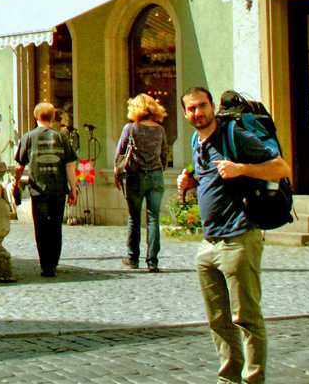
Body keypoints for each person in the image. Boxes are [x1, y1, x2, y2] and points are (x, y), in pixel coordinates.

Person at [177, 86, 290, 384]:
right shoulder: (195, 140)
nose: (197, 113)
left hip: (240, 236)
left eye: (202, 106)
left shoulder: (233, 135)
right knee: (218, 320)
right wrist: (190, 181)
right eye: (191, 108)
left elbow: (281, 167)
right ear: (185, 113)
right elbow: (209, 177)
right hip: (209, 242)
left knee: (247, 319)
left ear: (212, 106)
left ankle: (253, 380)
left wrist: (241, 169)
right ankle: (228, 379)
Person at [13, 102, 78, 278]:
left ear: (36, 117)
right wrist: (74, 188)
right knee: (56, 225)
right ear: (53, 118)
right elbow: (70, 165)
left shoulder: (29, 137)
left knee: (41, 226)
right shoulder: (62, 137)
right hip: (58, 187)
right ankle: (54, 261)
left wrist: (15, 181)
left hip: (38, 188)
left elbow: (20, 165)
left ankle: (45, 265)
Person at [115, 93, 169, 272]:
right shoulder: (160, 130)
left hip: (135, 176)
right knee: (154, 218)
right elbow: (164, 155)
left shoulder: (131, 128)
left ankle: (133, 258)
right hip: (156, 176)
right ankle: (152, 261)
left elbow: (120, 153)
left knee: (134, 217)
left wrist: (118, 174)